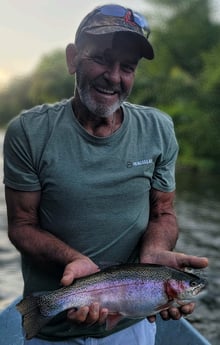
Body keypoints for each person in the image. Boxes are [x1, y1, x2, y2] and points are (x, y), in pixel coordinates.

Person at [3, 4, 208, 345]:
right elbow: (22, 226)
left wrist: (156, 252)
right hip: (54, 331)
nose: (114, 76)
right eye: (101, 58)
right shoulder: (28, 132)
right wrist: (73, 261)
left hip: (130, 328)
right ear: (72, 59)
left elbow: (163, 213)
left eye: (127, 67)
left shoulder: (159, 129)